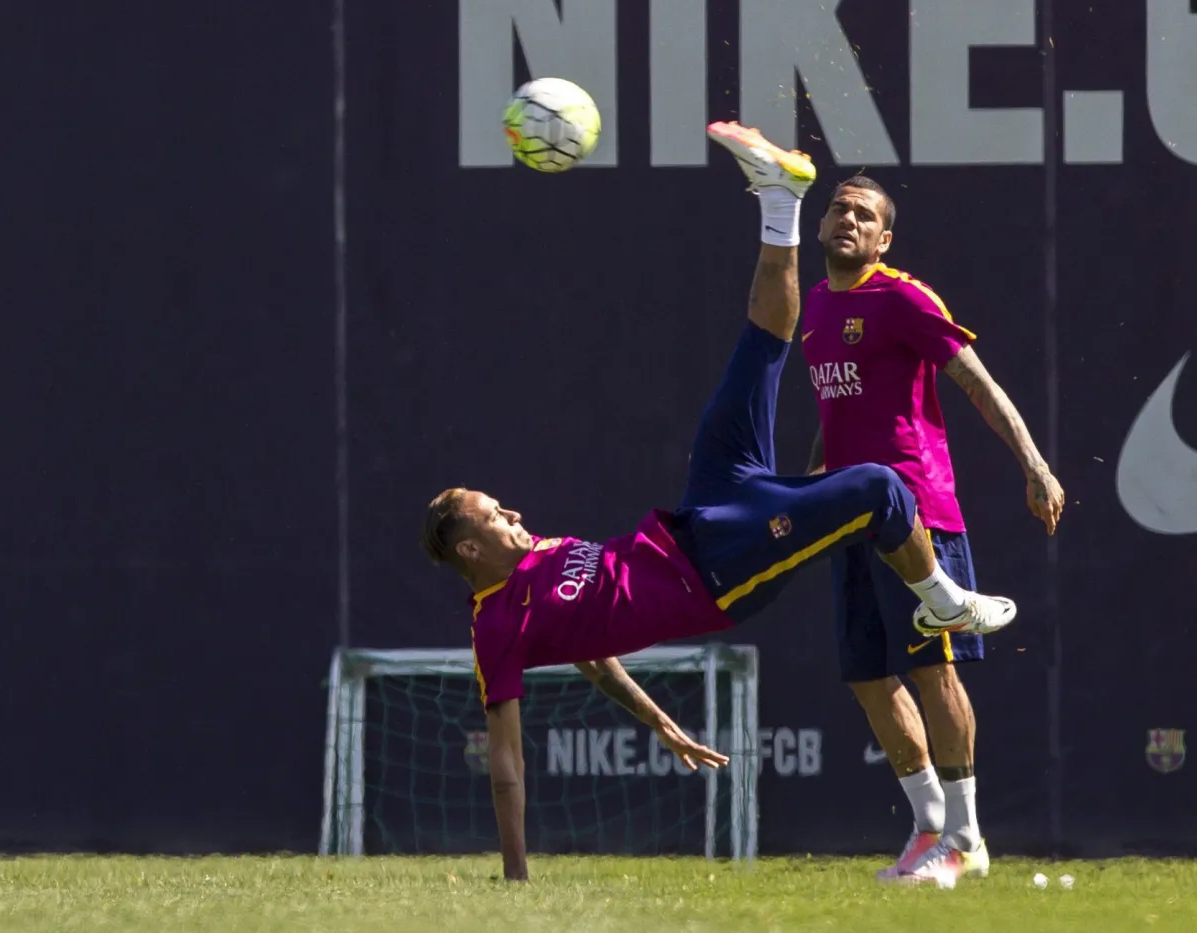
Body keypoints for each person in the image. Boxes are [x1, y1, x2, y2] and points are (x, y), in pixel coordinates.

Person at [419, 123, 1018, 883]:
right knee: (879, 485)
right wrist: (514, 875)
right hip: (719, 574)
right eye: (491, 514)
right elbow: (506, 759)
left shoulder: (534, 562)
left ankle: (779, 200)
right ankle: (946, 600)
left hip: (702, 510)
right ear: (468, 549)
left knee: (759, 345)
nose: (509, 512)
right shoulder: (496, 626)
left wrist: (660, 720)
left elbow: (595, 656)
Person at [801, 174, 1066, 885]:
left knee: (929, 668)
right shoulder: (816, 307)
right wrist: (802, 498)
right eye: (838, 208)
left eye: (863, 214)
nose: (846, 219)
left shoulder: (904, 297)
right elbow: (837, 424)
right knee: (865, 676)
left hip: (916, 517)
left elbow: (978, 383)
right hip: (846, 518)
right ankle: (928, 829)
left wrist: (1035, 465)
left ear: (883, 239)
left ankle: (968, 836)